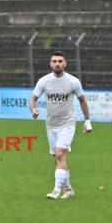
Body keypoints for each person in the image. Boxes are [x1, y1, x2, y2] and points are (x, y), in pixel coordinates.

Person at [29, 51, 92, 200]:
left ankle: (56, 191)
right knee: (58, 159)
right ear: (51, 64)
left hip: (68, 123)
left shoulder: (73, 81)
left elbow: (82, 100)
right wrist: (33, 109)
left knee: (59, 154)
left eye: (60, 61)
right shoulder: (44, 81)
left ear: (65, 64)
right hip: (51, 124)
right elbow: (33, 98)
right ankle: (69, 190)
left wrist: (87, 121)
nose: (57, 63)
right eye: (54, 61)